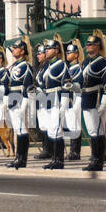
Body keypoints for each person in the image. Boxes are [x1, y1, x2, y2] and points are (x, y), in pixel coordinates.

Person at [79, 31, 106, 171]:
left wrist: (104, 104)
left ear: (98, 46)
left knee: (98, 130)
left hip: (97, 99)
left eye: (91, 44)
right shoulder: (86, 62)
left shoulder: (104, 62)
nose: (87, 46)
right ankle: (94, 158)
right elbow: (81, 81)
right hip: (86, 99)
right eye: (87, 44)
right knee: (91, 131)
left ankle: (98, 160)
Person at [3, 36, 35, 169]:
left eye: (16, 49)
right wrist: (5, 101)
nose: (13, 51)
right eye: (13, 49)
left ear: (22, 51)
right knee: (17, 130)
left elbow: (29, 86)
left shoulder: (26, 67)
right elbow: (7, 85)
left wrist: (25, 104)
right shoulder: (13, 66)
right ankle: (17, 157)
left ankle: (22, 159)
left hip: (21, 100)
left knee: (22, 130)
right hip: (12, 101)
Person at [37, 37, 68, 170]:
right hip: (47, 99)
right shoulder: (46, 66)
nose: (46, 51)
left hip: (57, 98)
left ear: (56, 50)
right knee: (51, 130)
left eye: (49, 49)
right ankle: (54, 158)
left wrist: (64, 104)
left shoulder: (61, 64)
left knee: (56, 130)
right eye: (46, 49)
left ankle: (59, 160)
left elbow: (66, 84)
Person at [62, 38, 85, 161]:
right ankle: (72, 150)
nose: (67, 55)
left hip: (77, 97)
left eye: (69, 53)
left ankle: (76, 152)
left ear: (76, 54)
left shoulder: (78, 68)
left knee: (75, 124)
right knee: (71, 124)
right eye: (66, 53)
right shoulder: (68, 68)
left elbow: (79, 85)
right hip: (70, 98)